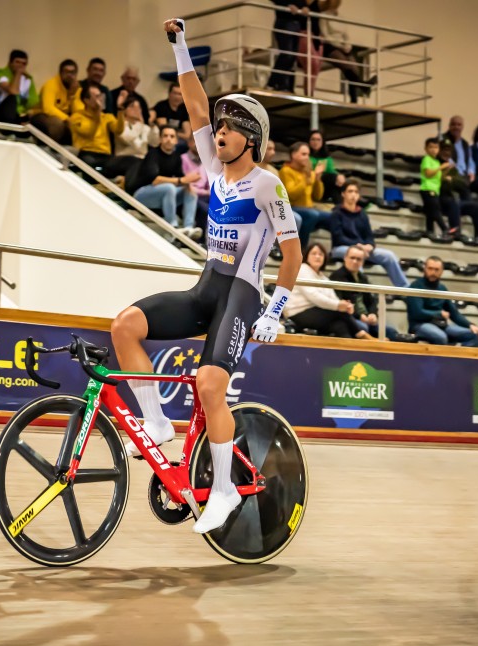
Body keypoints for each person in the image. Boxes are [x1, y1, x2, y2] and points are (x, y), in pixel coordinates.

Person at [110, 18, 301, 534]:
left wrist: (275, 312)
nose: (217, 133)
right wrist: (180, 46)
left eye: (229, 129)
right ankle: (155, 422)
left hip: (241, 295)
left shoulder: (268, 185)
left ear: (251, 139)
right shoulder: (215, 170)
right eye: (217, 129)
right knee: (125, 325)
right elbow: (195, 102)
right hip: (207, 286)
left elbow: (293, 254)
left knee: (210, 385)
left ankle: (220, 492)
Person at [327, 179, 408, 287]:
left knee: (389, 256)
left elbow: (369, 236)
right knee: (356, 257)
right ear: (343, 194)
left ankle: (405, 290)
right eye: (350, 191)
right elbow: (338, 237)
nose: (353, 195)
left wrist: (370, 246)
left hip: (362, 248)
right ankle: (362, 290)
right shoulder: (336, 213)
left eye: (356, 192)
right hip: (341, 248)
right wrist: (358, 247)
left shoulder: (362, 214)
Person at [284, 242, 368, 339]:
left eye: (321, 254)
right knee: (340, 313)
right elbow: (314, 297)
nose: (317, 257)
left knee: (339, 325)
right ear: (307, 256)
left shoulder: (323, 277)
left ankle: (349, 352)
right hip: (298, 313)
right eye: (314, 253)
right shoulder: (302, 270)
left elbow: (333, 297)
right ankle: (361, 334)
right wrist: (339, 306)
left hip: (317, 312)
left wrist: (344, 305)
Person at [128, 125, 200, 238]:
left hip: (162, 194)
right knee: (169, 187)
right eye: (165, 136)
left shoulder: (176, 157)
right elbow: (155, 180)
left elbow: (181, 178)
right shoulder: (153, 154)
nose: (168, 139)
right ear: (160, 139)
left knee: (190, 192)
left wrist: (187, 184)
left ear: (176, 140)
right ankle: (172, 226)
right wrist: (182, 180)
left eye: (172, 136)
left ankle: (188, 227)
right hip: (141, 195)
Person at [406, 256, 478, 346]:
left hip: (441, 325)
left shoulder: (442, 289)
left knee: (474, 335)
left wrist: (470, 325)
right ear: (424, 269)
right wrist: (439, 313)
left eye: (436, 270)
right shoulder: (415, 286)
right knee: (440, 337)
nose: (433, 272)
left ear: (442, 271)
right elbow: (417, 313)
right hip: (419, 325)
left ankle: (458, 359)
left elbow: (454, 313)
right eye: (430, 269)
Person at [329, 245, 399, 341]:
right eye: (352, 258)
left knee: (391, 332)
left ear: (363, 262)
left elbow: (372, 300)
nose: (355, 261)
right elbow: (339, 304)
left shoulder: (363, 277)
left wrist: (373, 314)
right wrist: (359, 316)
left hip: (366, 318)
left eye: (358, 259)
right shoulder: (336, 277)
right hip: (349, 319)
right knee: (364, 328)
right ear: (345, 258)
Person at [317, 0, 376, 102]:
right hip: (330, 46)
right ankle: (364, 86)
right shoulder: (323, 16)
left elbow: (346, 35)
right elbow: (326, 35)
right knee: (346, 65)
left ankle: (354, 98)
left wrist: (348, 45)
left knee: (354, 68)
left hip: (342, 46)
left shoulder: (341, 17)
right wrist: (339, 46)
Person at [279, 141, 331, 248]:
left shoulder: (308, 173)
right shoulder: (286, 171)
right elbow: (291, 194)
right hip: (292, 207)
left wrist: (317, 178)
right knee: (313, 215)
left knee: (333, 217)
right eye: (303, 154)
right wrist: (306, 180)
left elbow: (318, 196)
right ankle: (301, 249)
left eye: (308, 154)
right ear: (293, 155)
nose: (307, 158)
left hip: (308, 209)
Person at [69, 84, 126, 172]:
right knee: (91, 165)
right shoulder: (76, 117)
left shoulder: (106, 116)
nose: (100, 99)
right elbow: (89, 133)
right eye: (96, 96)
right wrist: (97, 113)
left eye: (100, 95)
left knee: (125, 163)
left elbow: (118, 130)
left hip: (105, 155)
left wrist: (120, 109)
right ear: (86, 100)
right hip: (86, 153)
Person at [105, 97, 157, 185]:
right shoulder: (120, 125)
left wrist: (151, 124)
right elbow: (127, 139)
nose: (136, 110)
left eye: (139, 107)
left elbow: (155, 143)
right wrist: (140, 126)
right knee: (138, 162)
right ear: (125, 110)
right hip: (122, 159)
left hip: (141, 161)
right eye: (132, 106)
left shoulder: (144, 127)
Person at [31, 58, 81, 144]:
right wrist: (67, 119)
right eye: (66, 72)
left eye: (72, 72)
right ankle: (50, 149)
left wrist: (72, 95)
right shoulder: (51, 85)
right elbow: (48, 108)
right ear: (60, 73)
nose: (69, 75)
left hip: (61, 116)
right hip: (41, 115)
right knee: (57, 124)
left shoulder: (76, 87)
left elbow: (78, 110)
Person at [0, 49, 38, 124]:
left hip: (18, 114)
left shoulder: (28, 79)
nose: (20, 66)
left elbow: (33, 101)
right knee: (12, 98)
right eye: (17, 62)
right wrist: (18, 73)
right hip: (0, 113)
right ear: (10, 63)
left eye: (24, 64)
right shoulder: (0, 75)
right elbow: (13, 91)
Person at [420, 137, 453, 236]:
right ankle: (445, 228)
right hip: (427, 189)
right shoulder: (427, 159)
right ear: (426, 149)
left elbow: (437, 176)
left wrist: (446, 173)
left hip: (435, 189)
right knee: (435, 210)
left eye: (436, 147)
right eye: (431, 147)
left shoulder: (436, 162)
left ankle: (430, 231)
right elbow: (428, 174)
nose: (434, 150)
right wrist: (441, 167)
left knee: (430, 213)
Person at [308, 129, 344, 203]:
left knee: (337, 184)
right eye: (313, 139)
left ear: (322, 142)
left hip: (324, 187)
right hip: (312, 185)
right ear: (309, 141)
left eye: (318, 140)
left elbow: (332, 171)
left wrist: (339, 176)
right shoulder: (306, 156)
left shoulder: (327, 158)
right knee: (332, 178)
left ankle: (340, 208)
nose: (315, 142)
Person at [150, 82, 190, 146]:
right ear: (169, 94)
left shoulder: (184, 109)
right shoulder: (161, 106)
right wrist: (179, 134)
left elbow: (187, 134)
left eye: (180, 94)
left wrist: (177, 134)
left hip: (177, 139)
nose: (177, 97)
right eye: (175, 93)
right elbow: (164, 130)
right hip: (163, 138)